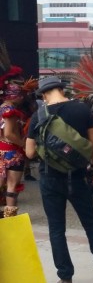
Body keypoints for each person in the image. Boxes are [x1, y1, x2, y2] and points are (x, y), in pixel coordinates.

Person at [25, 75, 93, 283]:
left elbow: (29, 152)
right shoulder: (82, 110)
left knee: (56, 228)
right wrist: (92, 168)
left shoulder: (38, 115)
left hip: (49, 177)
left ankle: (65, 279)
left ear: (44, 94)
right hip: (77, 175)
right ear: (61, 89)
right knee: (90, 221)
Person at [0, 75, 27, 218]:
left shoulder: (1, 108)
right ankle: (10, 217)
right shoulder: (10, 111)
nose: (22, 98)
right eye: (20, 95)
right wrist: (23, 144)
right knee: (11, 185)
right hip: (12, 153)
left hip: (1, 150)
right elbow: (9, 134)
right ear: (14, 96)